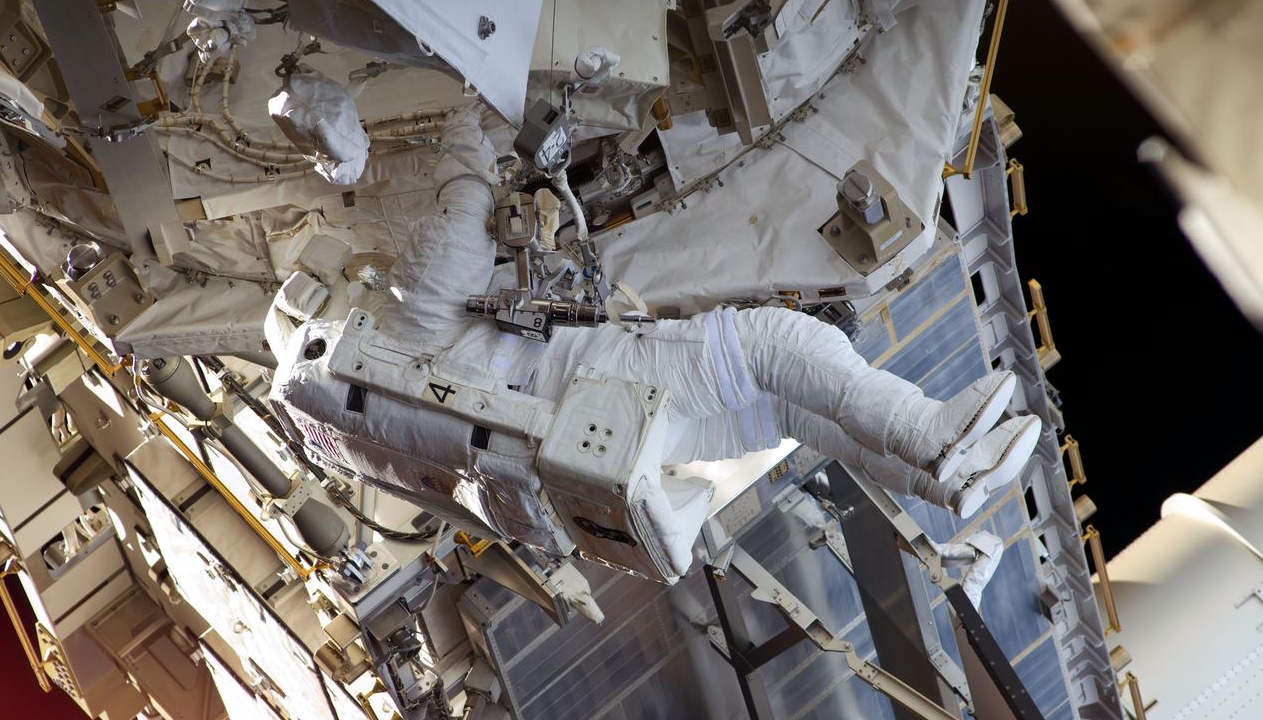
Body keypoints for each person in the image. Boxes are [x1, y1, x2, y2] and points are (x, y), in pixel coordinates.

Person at [365, 104, 1041, 521]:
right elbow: (460, 216)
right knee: (772, 345)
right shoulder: (416, 313)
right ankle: (931, 435)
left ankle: (947, 484)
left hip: (617, 438)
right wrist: (468, 120)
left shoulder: (397, 380)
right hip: (593, 395)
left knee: (793, 411)